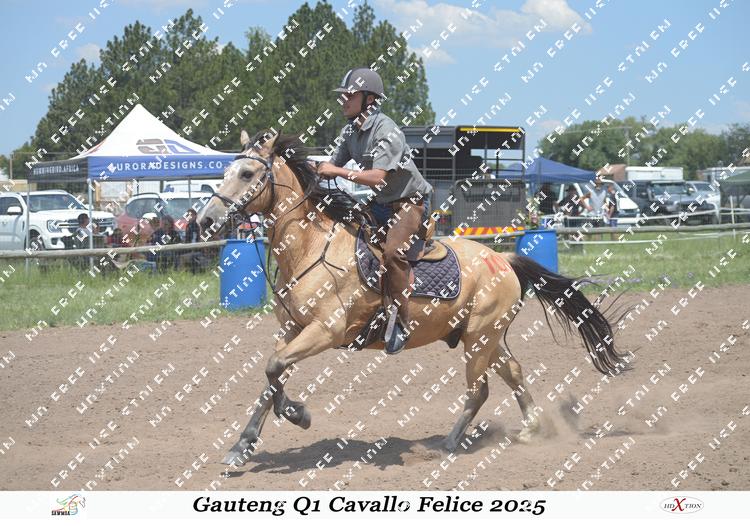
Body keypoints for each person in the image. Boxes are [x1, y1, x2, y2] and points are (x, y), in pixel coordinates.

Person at [315, 67, 434, 355]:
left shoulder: (387, 130)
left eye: (350, 95)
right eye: (343, 96)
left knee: (393, 253)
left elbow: (378, 178)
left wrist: (336, 172)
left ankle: (401, 324)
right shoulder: (350, 131)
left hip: (410, 203)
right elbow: (330, 165)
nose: (343, 100)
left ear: (369, 99)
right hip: (381, 205)